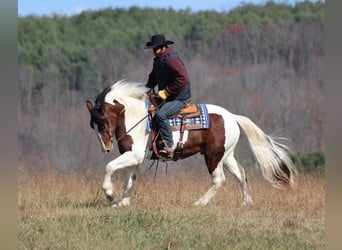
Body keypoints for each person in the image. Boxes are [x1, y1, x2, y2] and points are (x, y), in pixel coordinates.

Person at [145, 34, 191, 159]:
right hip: (169, 97)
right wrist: (146, 89)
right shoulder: (159, 60)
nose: (154, 52)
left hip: (180, 97)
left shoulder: (171, 60)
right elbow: (153, 78)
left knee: (161, 115)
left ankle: (169, 146)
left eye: (156, 49)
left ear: (163, 47)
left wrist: (167, 91)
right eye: (153, 49)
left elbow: (183, 79)